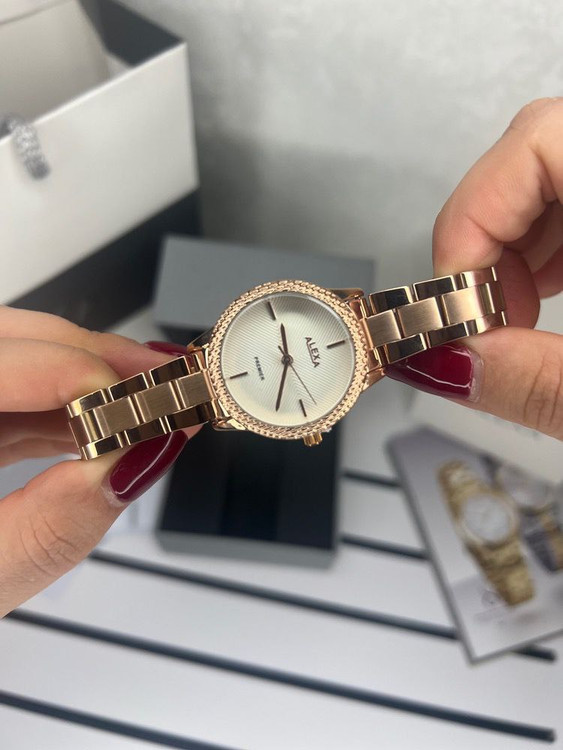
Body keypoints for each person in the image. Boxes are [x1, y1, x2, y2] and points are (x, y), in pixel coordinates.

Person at [0, 98, 561, 617]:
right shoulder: (229, 385)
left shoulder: (348, 333)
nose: (289, 363)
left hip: (309, 355)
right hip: (241, 370)